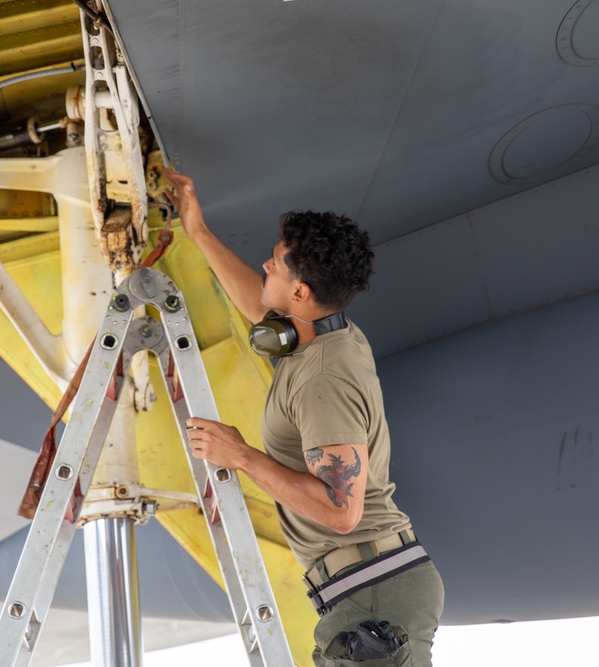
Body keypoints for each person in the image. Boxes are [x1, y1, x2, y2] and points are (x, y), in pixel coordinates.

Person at [164, 169, 444, 667]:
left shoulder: (322, 380)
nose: (265, 266)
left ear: (300, 293)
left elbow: (342, 511)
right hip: (366, 587)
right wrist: (198, 232)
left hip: (373, 597)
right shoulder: (321, 331)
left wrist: (241, 455)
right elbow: (258, 305)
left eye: (274, 265)